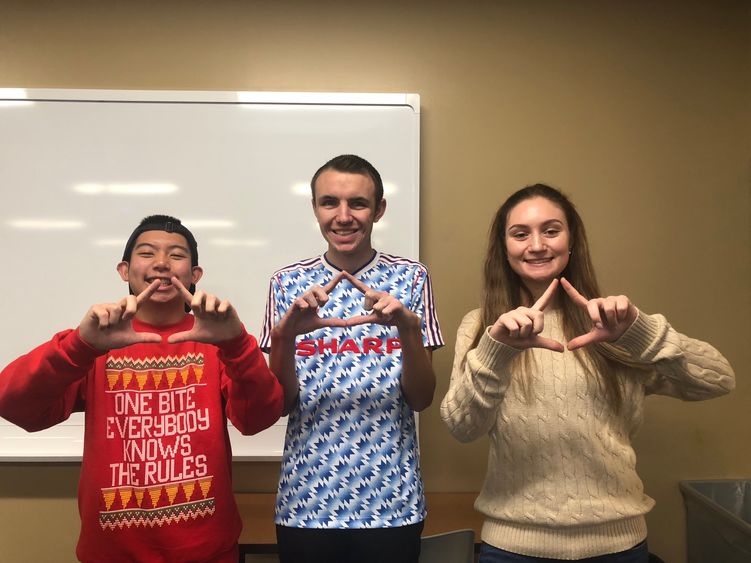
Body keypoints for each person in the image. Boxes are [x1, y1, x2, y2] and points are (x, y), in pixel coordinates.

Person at [440, 184, 735, 562]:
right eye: (520, 233)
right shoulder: (481, 324)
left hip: (618, 545)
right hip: (515, 547)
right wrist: (497, 350)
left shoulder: (612, 322)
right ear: (504, 246)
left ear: (571, 240)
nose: (536, 245)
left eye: (551, 230)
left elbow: (718, 379)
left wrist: (638, 334)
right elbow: (462, 427)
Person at [0, 215, 284, 563]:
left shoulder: (217, 341)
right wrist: (78, 347)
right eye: (147, 253)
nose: (162, 263)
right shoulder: (94, 342)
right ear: (124, 270)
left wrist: (238, 346)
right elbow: (13, 404)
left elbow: (259, 418)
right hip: (111, 554)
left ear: (195, 276)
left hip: (207, 551)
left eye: (176, 255)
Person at [259, 154, 443, 563]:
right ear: (315, 209)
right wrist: (286, 335)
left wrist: (407, 329)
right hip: (305, 501)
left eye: (357, 203)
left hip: (392, 500)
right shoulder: (286, 283)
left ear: (378, 209)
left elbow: (422, 399)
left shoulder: (412, 278)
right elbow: (281, 404)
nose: (343, 216)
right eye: (329, 203)